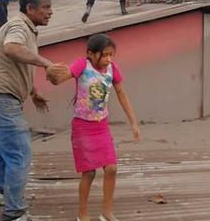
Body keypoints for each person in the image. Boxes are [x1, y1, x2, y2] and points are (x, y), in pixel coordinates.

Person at [0, 0, 66, 221]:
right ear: (30, 9)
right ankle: (14, 213)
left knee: (7, 152)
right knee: (19, 154)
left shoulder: (24, 27)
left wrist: (33, 92)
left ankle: (2, 193)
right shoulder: (19, 26)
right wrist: (46, 63)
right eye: (45, 7)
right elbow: (12, 49)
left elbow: (17, 63)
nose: (50, 12)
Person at [47, 34, 140, 221]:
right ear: (90, 53)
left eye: (111, 55)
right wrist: (51, 73)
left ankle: (106, 212)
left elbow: (122, 94)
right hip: (82, 126)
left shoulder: (112, 69)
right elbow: (59, 79)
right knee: (88, 173)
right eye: (104, 55)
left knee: (112, 168)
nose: (108, 59)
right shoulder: (83, 65)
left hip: (101, 126)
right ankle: (83, 214)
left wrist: (133, 122)